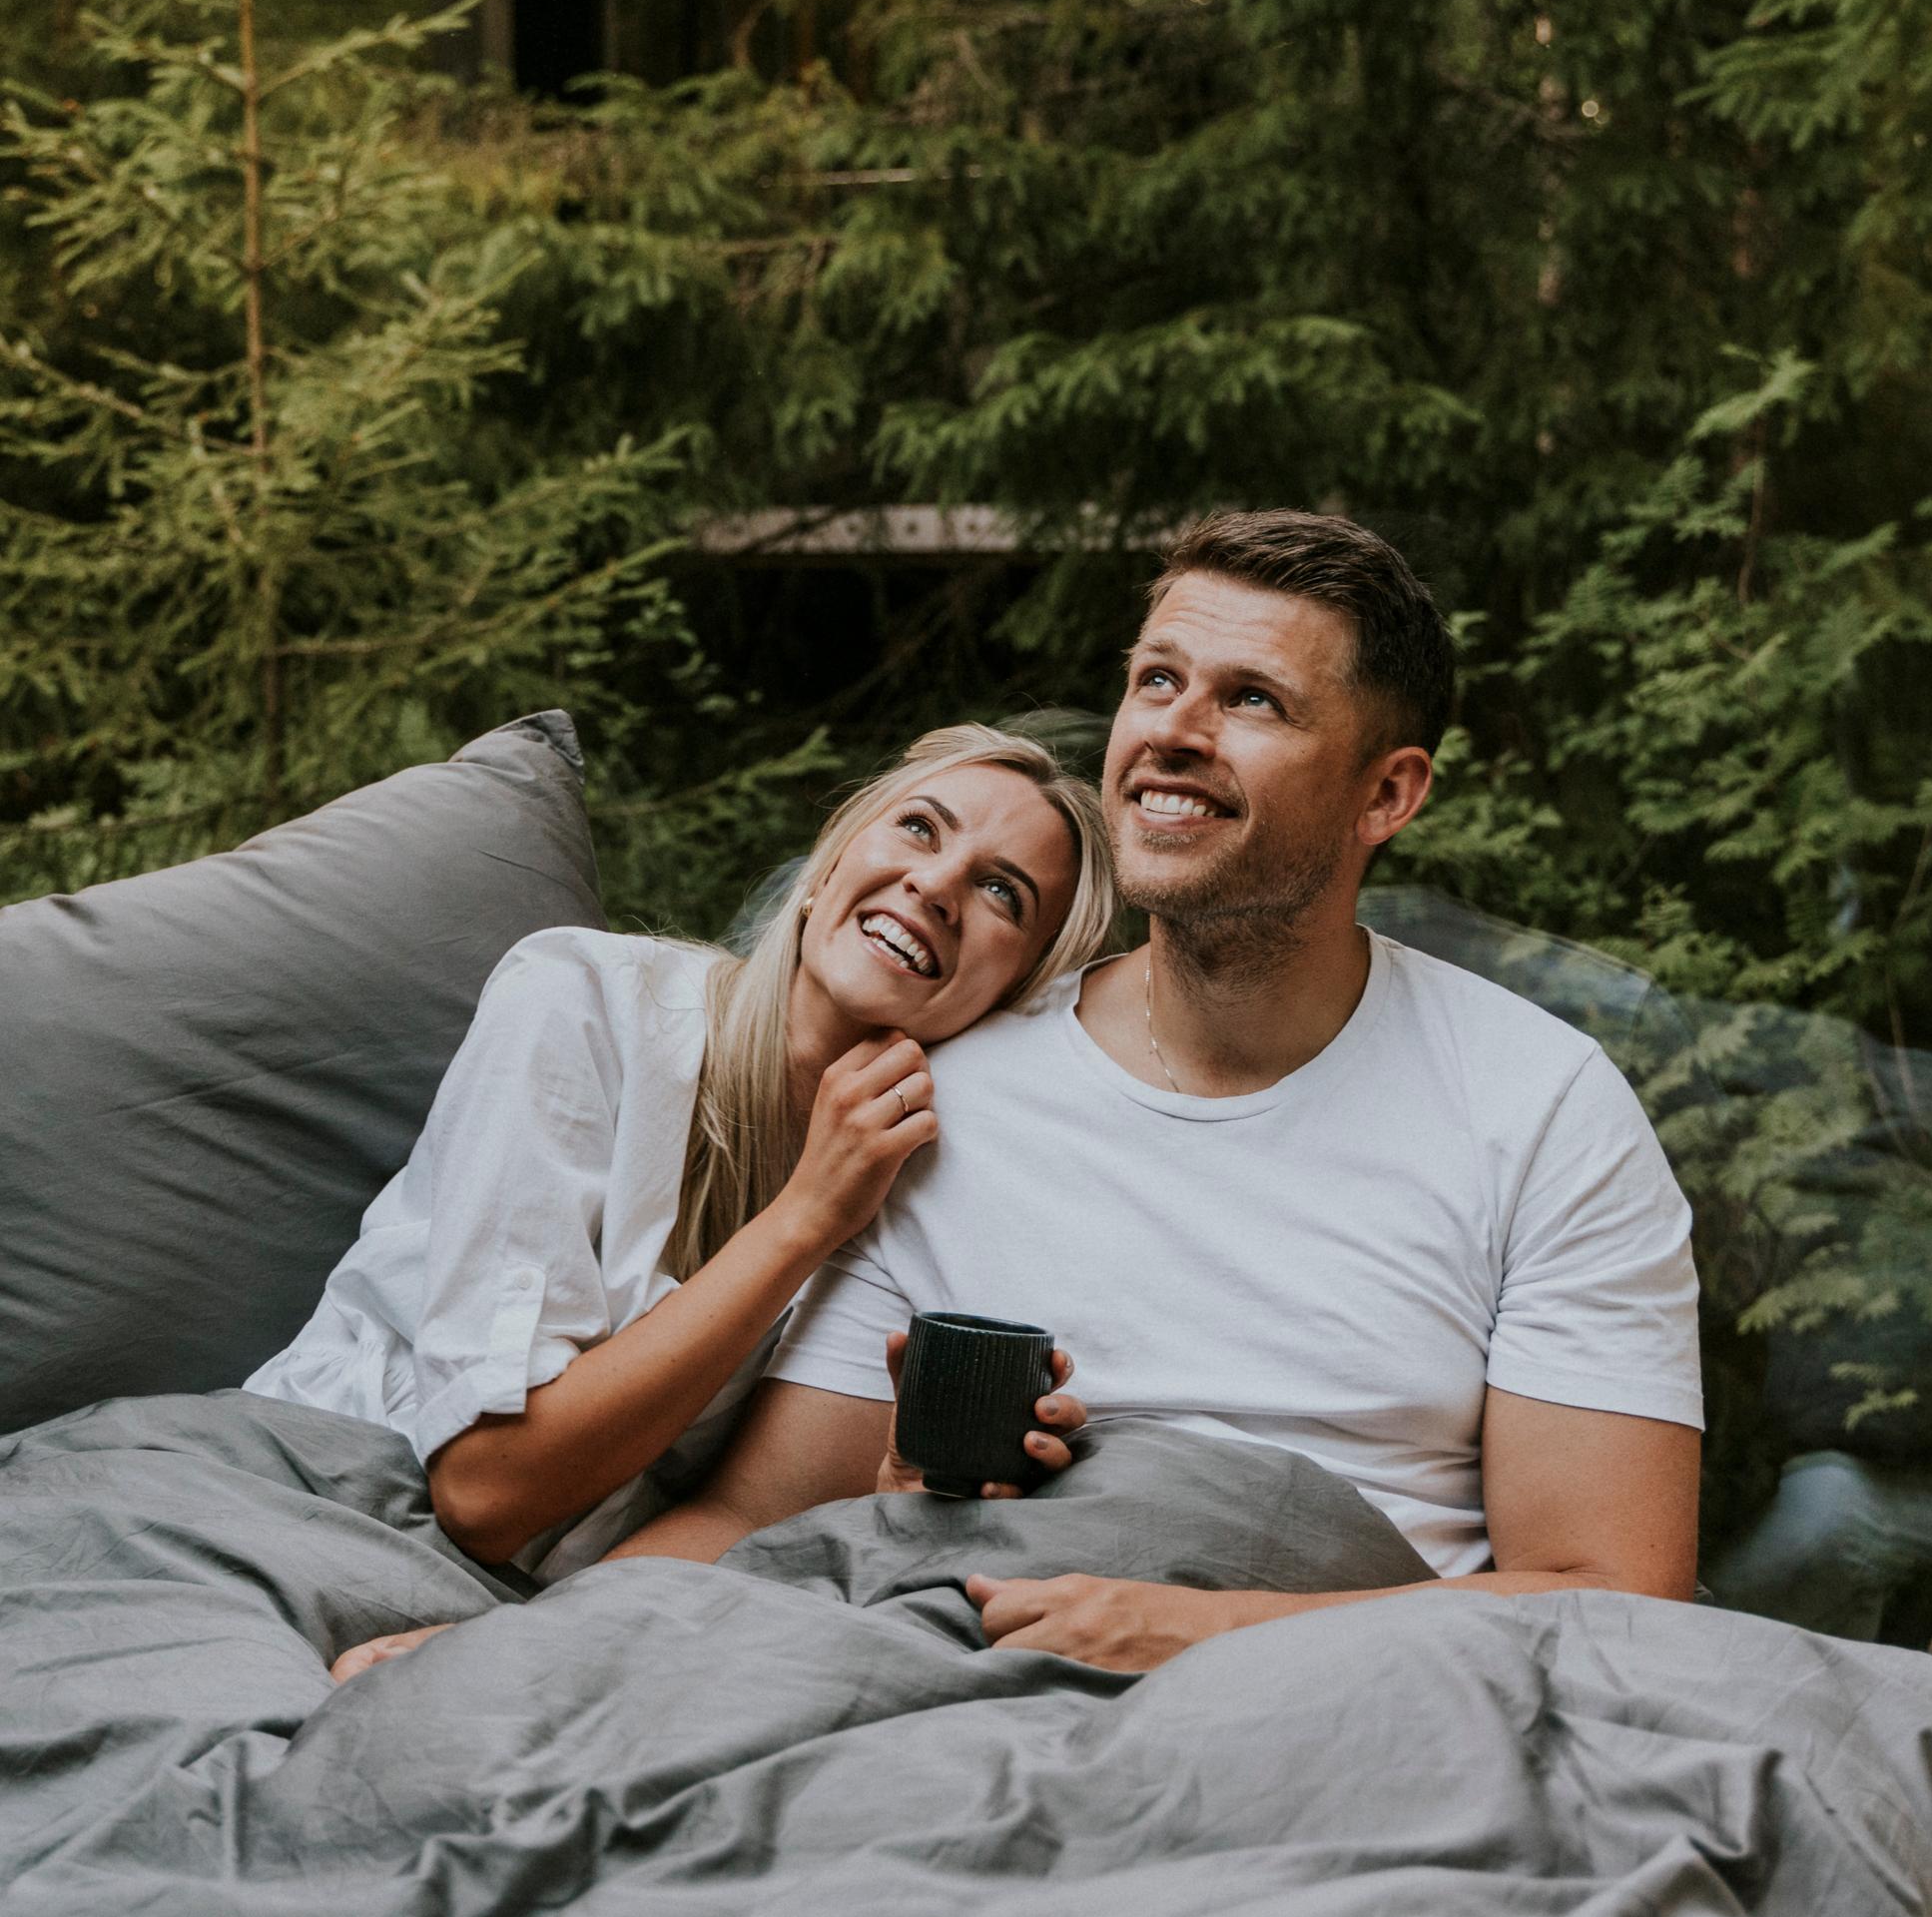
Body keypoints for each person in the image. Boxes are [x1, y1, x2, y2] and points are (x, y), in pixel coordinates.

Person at [598, 510, 1704, 1673]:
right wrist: (502, 1654)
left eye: (1250, 700)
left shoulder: (1534, 1109)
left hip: (1365, 1704)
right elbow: (747, 1525)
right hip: (974, 1676)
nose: (1172, 732)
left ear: (1385, 794)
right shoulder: (944, 1099)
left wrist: (1202, 1633)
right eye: (1157, 680)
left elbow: (1613, 1597)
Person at [250, 723, 1114, 1606]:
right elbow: (484, 1490)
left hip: (564, 1602)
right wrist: (805, 1218)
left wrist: (884, 1497)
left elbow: (739, 1512)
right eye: (921, 828)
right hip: (320, 1491)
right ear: (826, 868)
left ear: (1017, 996)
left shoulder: (926, 1190)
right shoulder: (580, 1003)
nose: (934, 884)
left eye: (1002, 891)